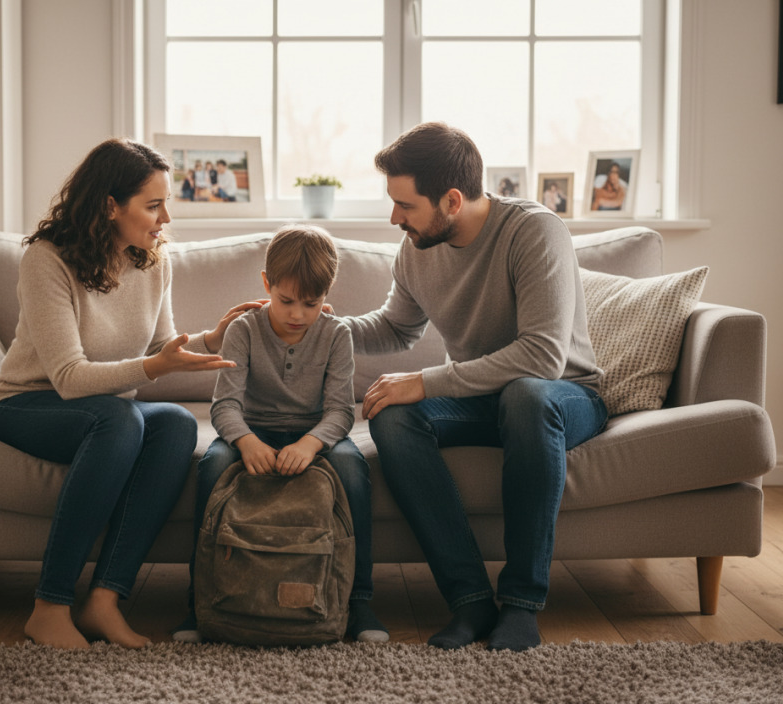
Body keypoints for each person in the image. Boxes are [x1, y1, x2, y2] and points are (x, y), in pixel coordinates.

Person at [0, 138, 260, 650]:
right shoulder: (46, 260)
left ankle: (104, 601)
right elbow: (68, 377)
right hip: (26, 403)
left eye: (165, 204)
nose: (165, 218)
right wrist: (156, 367)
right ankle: (49, 606)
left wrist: (213, 339)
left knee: (175, 422)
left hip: (104, 411)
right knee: (120, 418)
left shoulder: (154, 262)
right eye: (153, 206)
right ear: (110, 206)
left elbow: (161, 347)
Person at [342, 122, 607, 652]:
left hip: (565, 396)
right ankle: (469, 601)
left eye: (405, 205)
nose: (395, 218)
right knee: (392, 414)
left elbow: (543, 357)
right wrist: (316, 328)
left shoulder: (534, 231)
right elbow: (396, 327)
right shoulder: (417, 247)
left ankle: (522, 604)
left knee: (526, 395)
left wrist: (426, 380)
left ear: (452, 200)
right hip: (484, 397)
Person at [173, 224, 389, 644]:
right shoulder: (243, 331)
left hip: (316, 431)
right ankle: (198, 600)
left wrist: (311, 443)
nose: (297, 315)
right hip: (252, 429)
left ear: (327, 294)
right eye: (286, 300)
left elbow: (340, 411)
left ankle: (358, 600)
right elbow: (226, 405)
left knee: (351, 466)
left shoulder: (336, 334)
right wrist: (245, 440)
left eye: (311, 303)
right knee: (213, 464)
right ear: (266, 284)